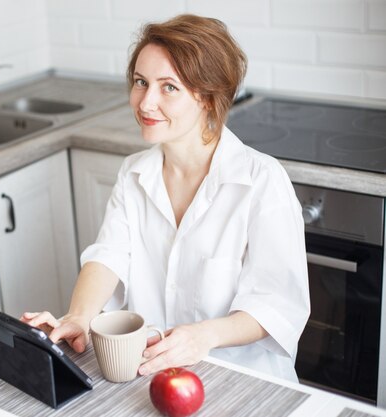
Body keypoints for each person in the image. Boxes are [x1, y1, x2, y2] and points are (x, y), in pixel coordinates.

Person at [22, 14, 310, 382]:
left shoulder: (261, 180)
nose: (146, 102)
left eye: (168, 87)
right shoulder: (133, 173)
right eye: (141, 82)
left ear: (207, 97)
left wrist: (204, 336)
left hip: (240, 378)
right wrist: (78, 317)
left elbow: (276, 305)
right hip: (150, 372)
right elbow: (108, 256)